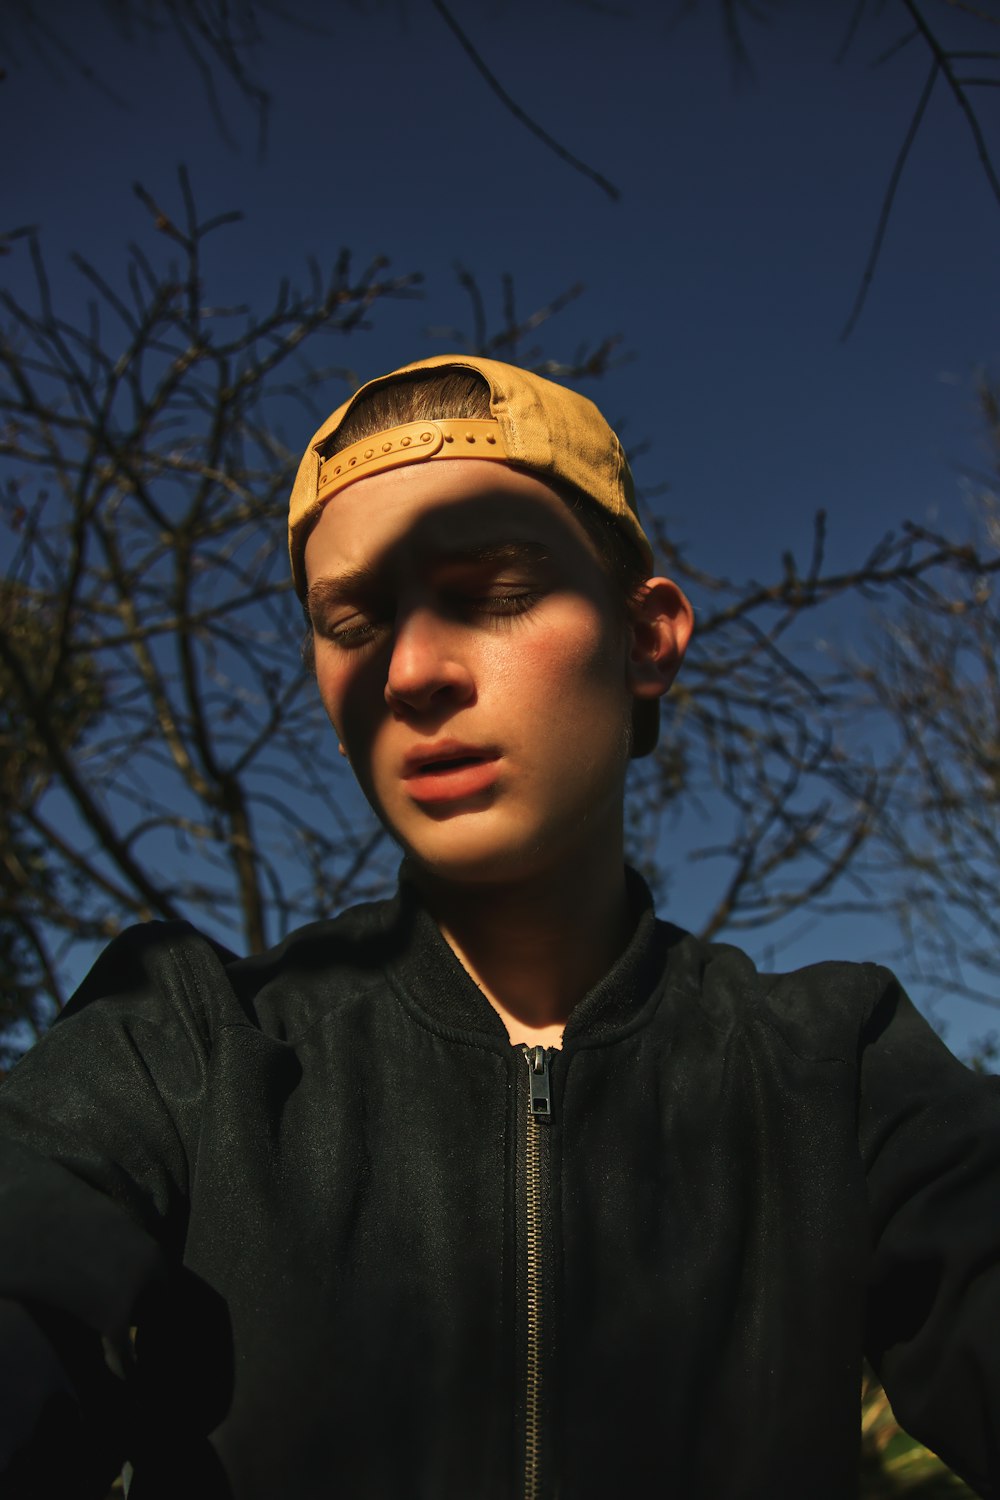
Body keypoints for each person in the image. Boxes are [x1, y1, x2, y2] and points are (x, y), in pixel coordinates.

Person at [1, 354, 999, 1500]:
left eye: (491, 592)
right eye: (356, 622)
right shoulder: (181, 1044)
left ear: (647, 639)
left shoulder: (841, 1068)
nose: (412, 671)